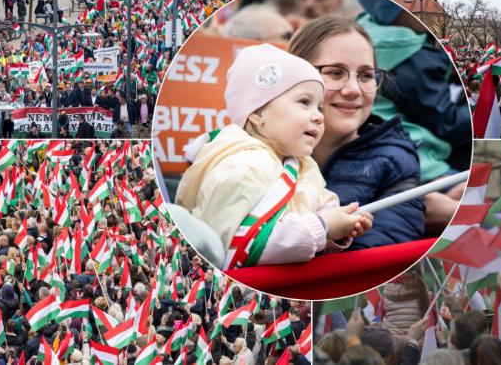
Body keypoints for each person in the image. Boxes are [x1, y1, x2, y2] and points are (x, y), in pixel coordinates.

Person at [176, 44, 373, 269]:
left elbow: (306, 220)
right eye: (304, 102)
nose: (318, 117)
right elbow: (241, 251)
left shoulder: (302, 166)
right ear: (258, 114)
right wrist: (323, 226)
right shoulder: (244, 168)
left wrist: (338, 227)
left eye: (319, 107)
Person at [287, 17, 425, 250]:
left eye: (366, 75)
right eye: (335, 73)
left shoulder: (395, 164)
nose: (353, 90)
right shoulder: (249, 154)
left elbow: (374, 264)